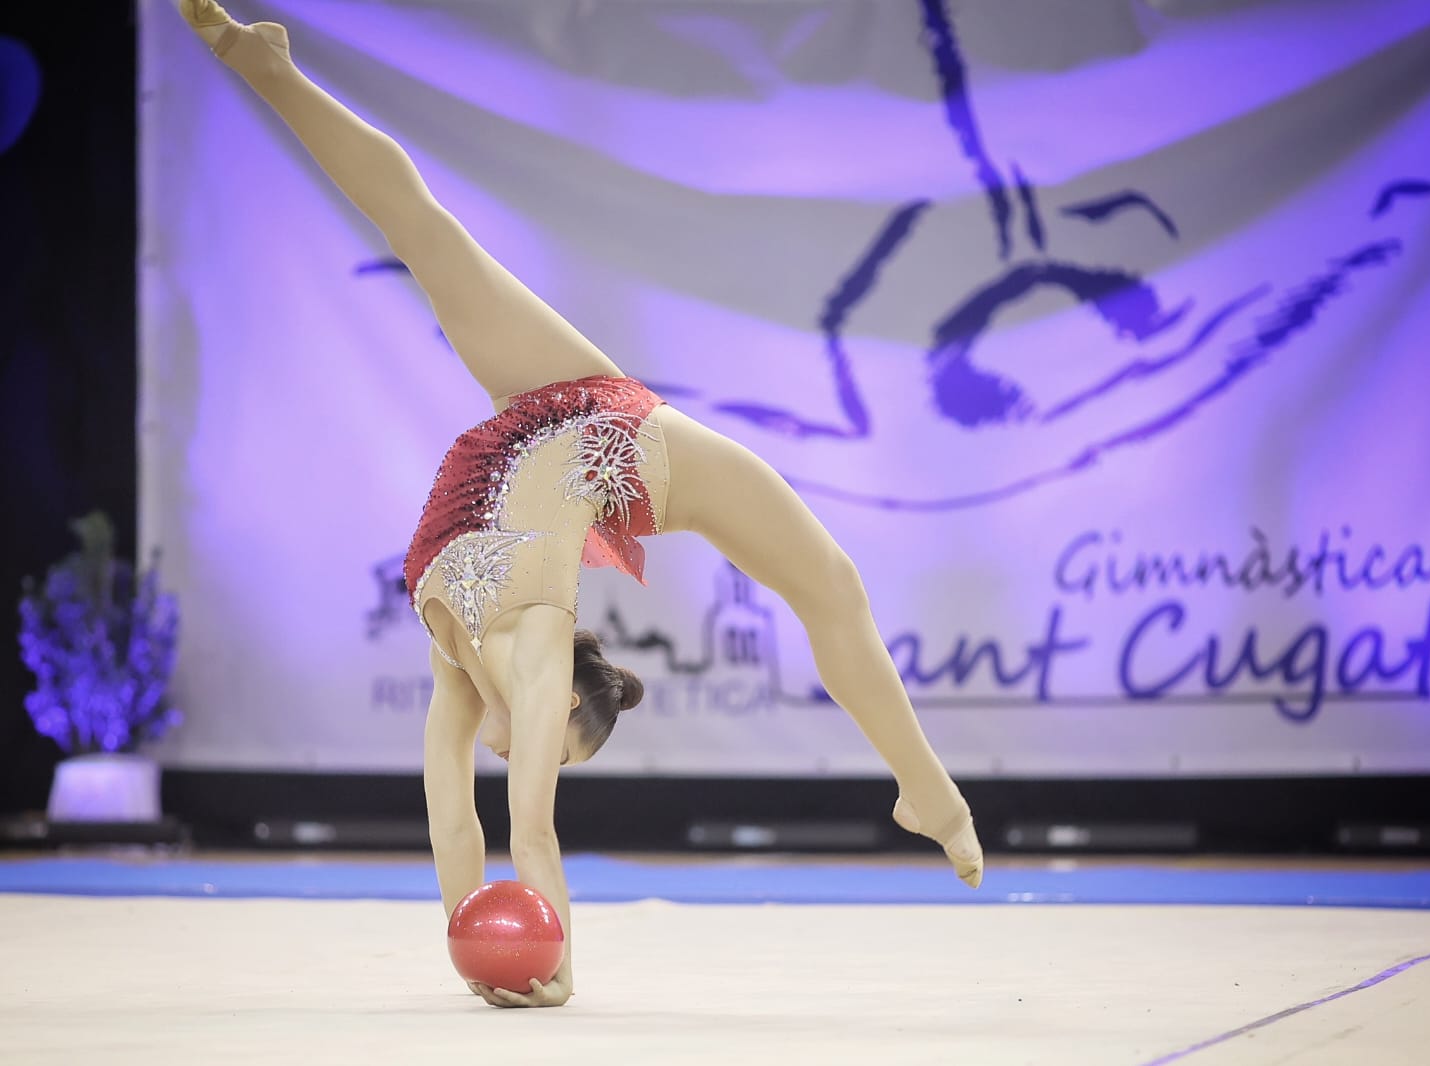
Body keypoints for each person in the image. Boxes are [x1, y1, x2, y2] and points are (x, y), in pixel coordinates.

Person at [176, 0, 984, 1008]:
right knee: (827, 582)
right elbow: (526, 831)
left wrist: (480, 953)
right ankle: (273, 71)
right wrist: (555, 972)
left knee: (428, 235)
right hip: (593, 437)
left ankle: (928, 789)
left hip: (525, 444)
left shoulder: (463, 667)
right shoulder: (535, 648)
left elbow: (454, 829)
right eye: (558, 743)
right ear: (564, 705)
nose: (528, 750)